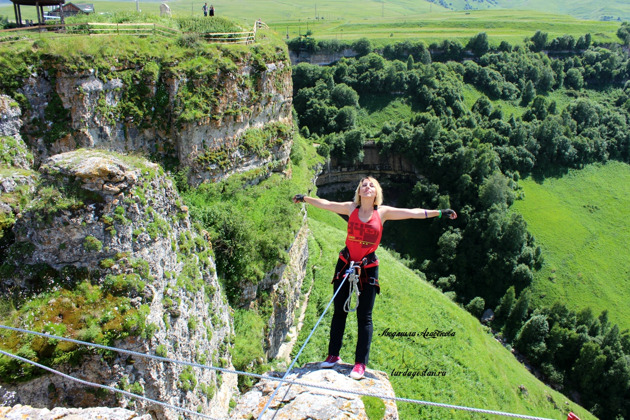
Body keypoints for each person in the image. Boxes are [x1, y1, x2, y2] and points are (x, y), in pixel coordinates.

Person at [292, 177, 457, 380]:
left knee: (364, 316)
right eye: (364, 185)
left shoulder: (383, 212)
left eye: (371, 185)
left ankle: (360, 363)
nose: (367, 187)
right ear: (359, 192)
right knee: (339, 312)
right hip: (346, 262)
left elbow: (412, 213)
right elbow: (326, 204)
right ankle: (333, 355)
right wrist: (305, 198)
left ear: (376, 191)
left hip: (368, 267)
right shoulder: (350, 208)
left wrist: (439, 212)